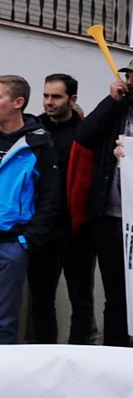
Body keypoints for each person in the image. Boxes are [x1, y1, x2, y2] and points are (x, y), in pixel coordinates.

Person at [71, 57, 133, 346]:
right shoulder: (116, 110)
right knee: (115, 293)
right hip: (111, 217)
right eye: (129, 77)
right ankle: (114, 349)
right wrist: (109, 102)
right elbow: (84, 137)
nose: (131, 83)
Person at [28, 74, 95, 344]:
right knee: (41, 299)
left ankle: (79, 354)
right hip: (41, 227)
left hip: (77, 229)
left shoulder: (85, 132)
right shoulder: (32, 130)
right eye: (46, 96)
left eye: (56, 96)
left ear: (72, 99)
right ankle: (45, 354)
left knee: (81, 299)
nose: (48, 102)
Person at [0, 75, 60, 344]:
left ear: (18, 102)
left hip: (11, 243)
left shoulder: (38, 144)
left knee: (5, 319)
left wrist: (26, 241)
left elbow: (50, 197)